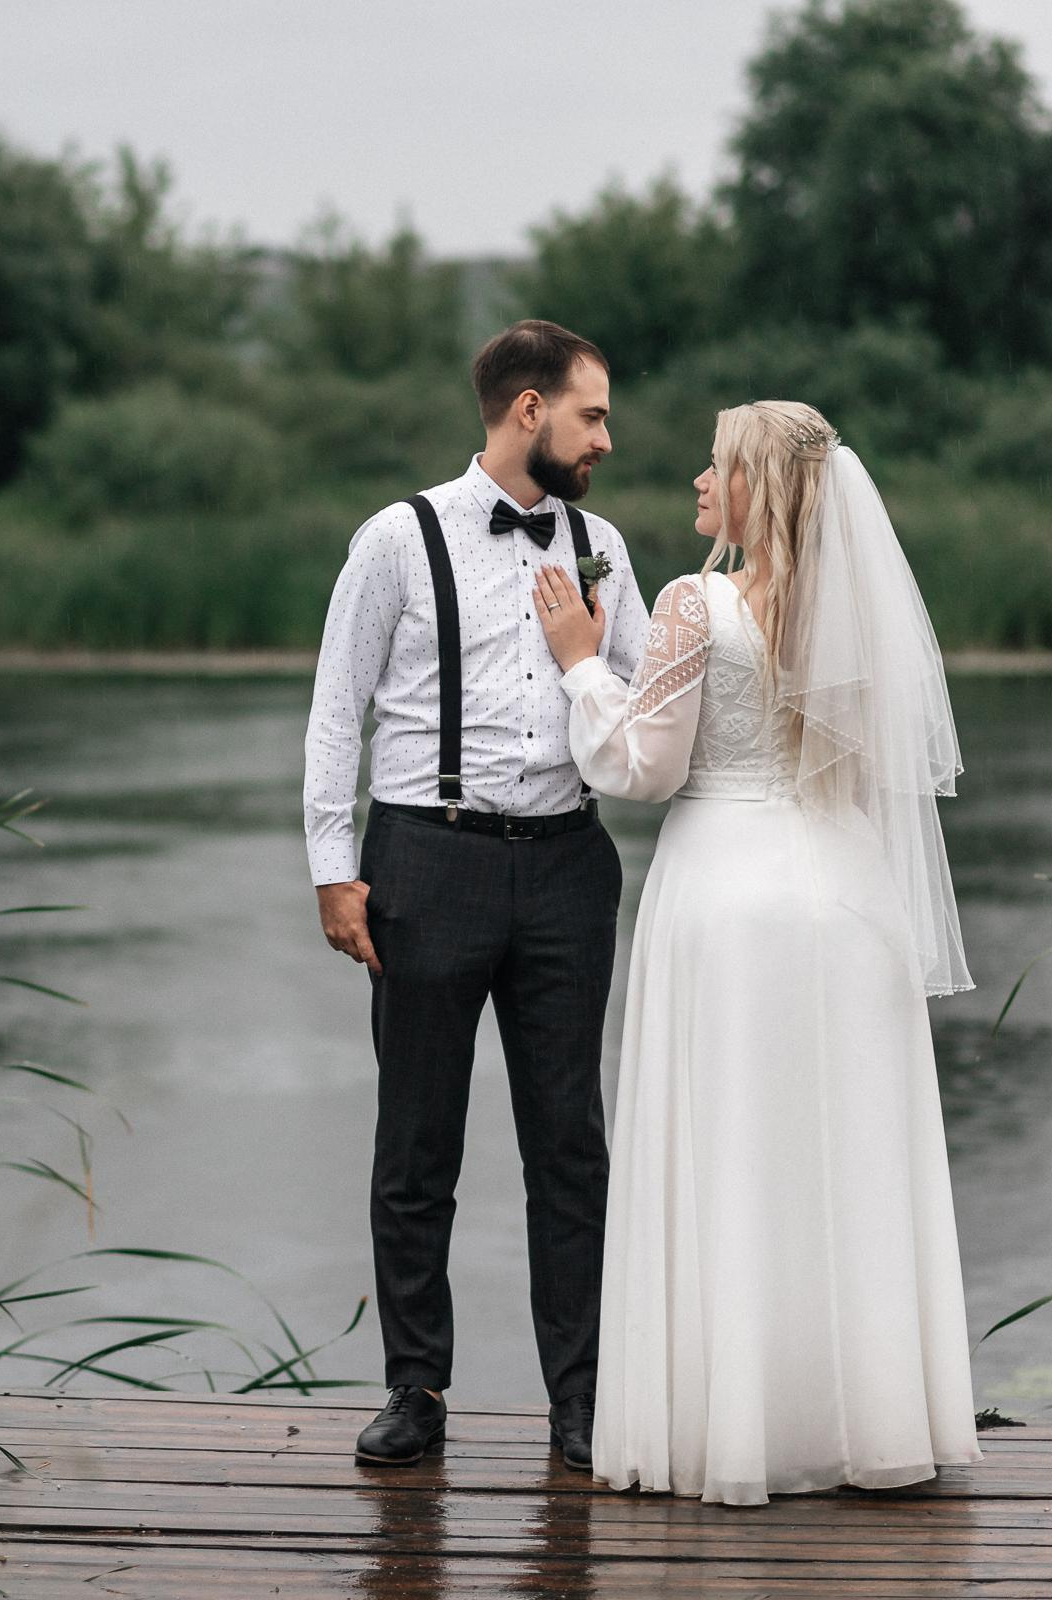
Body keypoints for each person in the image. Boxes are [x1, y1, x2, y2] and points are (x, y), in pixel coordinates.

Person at [535, 400, 981, 1505]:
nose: (696, 479)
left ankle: (735, 1427)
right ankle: (873, 1422)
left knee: (733, 1151)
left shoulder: (697, 603)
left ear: (758, 489)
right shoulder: (860, 622)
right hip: (847, 899)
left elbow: (640, 763)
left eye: (716, 465)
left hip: (727, 900)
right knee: (841, 1157)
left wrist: (582, 663)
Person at [302, 320, 650, 1471]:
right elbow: (336, 707)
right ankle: (418, 1388)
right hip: (426, 860)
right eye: (591, 414)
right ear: (527, 411)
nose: (606, 435)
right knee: (417, 1143)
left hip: (566, 863)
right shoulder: (397, 539)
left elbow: (645, 702)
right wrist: (331, 866)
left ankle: (580, 1401)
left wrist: (593, 656)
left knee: (570, 1145)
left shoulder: (603, 543)